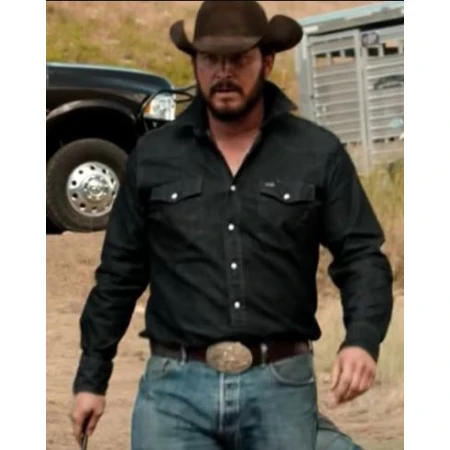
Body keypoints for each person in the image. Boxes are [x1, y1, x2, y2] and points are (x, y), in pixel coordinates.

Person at [70, 1, 393, 449]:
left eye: (238, 58)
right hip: (174, 396)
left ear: (267, 61)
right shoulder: (154, 156)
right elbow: (119, 274)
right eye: (210, 58)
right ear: (195, 64)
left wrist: (361, 340)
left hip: (281, 389)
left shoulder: (316, 153)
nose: (224, 72)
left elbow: (362, 257)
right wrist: (91, 378)